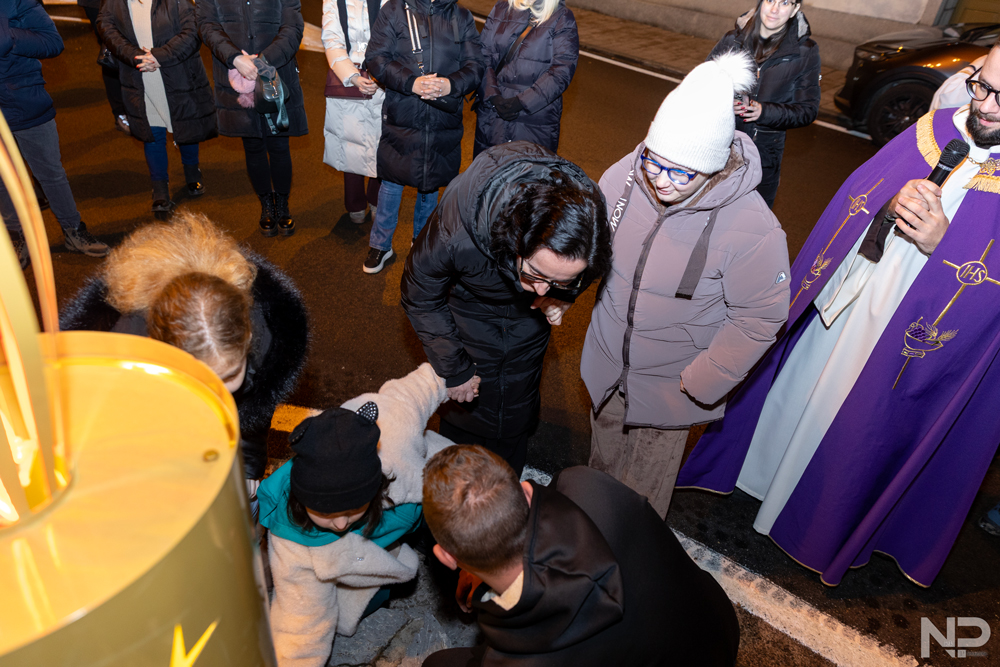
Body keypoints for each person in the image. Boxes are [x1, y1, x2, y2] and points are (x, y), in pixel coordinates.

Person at [677, 39, 1000, 587]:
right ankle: (761, 478)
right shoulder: (935, 129)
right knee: (805, 388)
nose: (984, 105)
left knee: (855, 418)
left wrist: (945, 248)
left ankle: (814, 518)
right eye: (982, 85)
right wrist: (887, 207)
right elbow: (858, 196)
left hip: (908, 334)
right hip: (854, 295)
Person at [581, 51, 790, 520]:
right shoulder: (625, 176)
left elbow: (760, 316)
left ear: (712, 167)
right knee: (598, 479)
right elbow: (593, 246)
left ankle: (630, 561)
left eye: (681, 172)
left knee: (640, 503)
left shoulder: (753, 227)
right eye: (655, 163)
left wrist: (703, 380)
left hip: (670, 386)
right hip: (609, 367)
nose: (661, 181)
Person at [60, 210, 308, 505]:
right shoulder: (123, 353)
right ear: (162, 352)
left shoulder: (267, 337)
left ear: (248, 340)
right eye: (201, 379)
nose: (217, 392)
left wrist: (247, 474)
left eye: (230, 374)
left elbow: (250, 423)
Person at [420, 445, 741, 667]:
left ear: (447, 558)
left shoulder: (518, 659)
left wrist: (478, 567)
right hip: (714, 631)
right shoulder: (587, 485)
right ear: (527, 491)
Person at [401, 141, 611, 477]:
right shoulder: (459, 227)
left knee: (518, 395)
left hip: (528, 320)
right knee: (466, 410)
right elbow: (419, 291)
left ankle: (507, 481)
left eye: (559, 280)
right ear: (516, 238)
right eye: (537, 274)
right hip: (469, 310)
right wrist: (454, 368)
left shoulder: (590, 221)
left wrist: (565, 296)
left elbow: (592, 269)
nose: (543, 289)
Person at [259, 363, 454, 667]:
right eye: (324, 512)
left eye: (351, 510)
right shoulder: (294, 543)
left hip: (432, 485)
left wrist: (453, 376)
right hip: (374, 543)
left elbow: (412, 392)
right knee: (371, 597)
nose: (339, 524)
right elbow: (300, 625)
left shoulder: (395, 430)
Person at [361, 0, 484, 274]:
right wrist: (411, 82)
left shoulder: (460, 15)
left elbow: (476, 65)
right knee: (391, 181)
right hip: (403, 113)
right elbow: (376, 58)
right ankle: (380, 244)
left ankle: (421, 243)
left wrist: (451, 85)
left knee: (431, 184)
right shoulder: (394, 10)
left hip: (443, 119)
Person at [0, 0, 109, 268]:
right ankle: (16, 236)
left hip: (26, 100)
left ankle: (73, 230)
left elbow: (52, 42)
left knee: (50, 173)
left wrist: (8, 35)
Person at [199, 0, 307, 236]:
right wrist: (236, 58)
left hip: (276, 72)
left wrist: (262, 62)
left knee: (279, 145)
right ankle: (266, 204)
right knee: (253, 144)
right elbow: (207, 24)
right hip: (236, 76)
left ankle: (282, 204)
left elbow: (292, 26)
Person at [98, 0, 217, 215]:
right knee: (152, 132)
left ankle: (192, 170)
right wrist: (135, 57)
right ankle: (160, 188)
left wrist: (159, 56)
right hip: (140, 75)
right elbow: (106, 26)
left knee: (185, 124)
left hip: (177, 72)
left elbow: (192, 30)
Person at [709, 0, 820, 208]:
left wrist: (764, 111)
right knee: (704, 215)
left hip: (763, 159)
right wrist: (725, 102)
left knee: (750, 220)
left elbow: (808, 110)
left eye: (785, 2)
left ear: (795, 9)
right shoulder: (733, 40)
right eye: (770, 0)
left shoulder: (805, 51)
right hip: (718, 150)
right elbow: (700, 86)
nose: (775, 9)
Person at [473, 0, 578, 156]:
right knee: (488, 168)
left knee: (527, 169)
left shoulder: (561, 17)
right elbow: (482, 55)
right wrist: (492, 96)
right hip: (493, 114)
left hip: (534, 118)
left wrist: (521, 102)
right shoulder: (502, 8)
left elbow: (561, 71)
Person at [321, 0, 387, 224]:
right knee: (349, 142)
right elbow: (332, 40)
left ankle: (377, 199)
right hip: (348, 79)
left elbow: (396, 37)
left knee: (382, 142)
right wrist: (353, 77)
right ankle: (355, 202)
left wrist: (380, 74)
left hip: (382, 78)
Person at [78, 0, 130, 135]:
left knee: (130, 47)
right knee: (110, 50)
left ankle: (135, 108)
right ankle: (120, 112)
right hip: (98, 3)